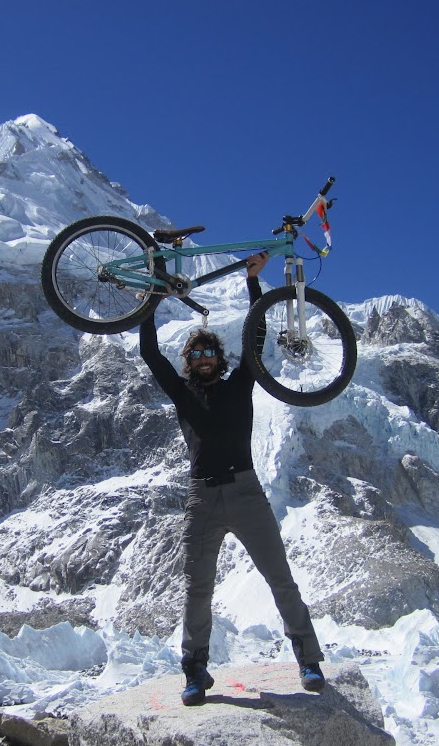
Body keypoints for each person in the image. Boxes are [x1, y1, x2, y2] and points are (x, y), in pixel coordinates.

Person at [139, 252, 325, 706]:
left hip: (246, 493)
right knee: (197, 590)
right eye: (196, 354)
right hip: (201, 499)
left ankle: (308, 661)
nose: (203, 358)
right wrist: (151, 298)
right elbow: (149, 353)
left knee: (280, 579)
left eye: (209, 353)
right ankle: (195, 671)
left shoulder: (241, 382)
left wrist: (253, 283)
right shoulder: (181, 392)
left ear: (218, 359)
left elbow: (255, 336)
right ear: (188, 361)